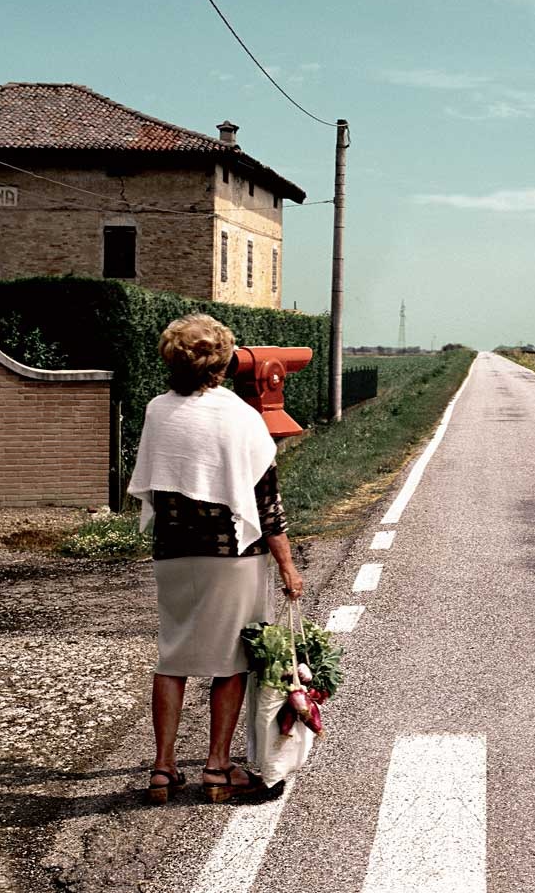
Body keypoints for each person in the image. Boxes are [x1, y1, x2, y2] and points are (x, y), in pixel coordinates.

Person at [127, 313, 304, 804]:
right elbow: (266, 502)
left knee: (173, 657)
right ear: (223, 363)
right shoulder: (240, 417)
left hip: (172, 551)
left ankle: (163, 769)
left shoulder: (157, 410)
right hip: (231, 555)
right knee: (230, 662)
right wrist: (287, 566)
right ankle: (216, 768)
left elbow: (157, 483)